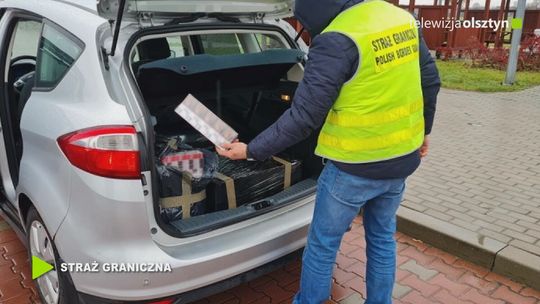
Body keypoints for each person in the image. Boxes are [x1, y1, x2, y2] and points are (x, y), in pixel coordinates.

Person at [216, 0, 440, 303]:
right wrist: (424, 130)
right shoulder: (401, 18)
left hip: (353, 168)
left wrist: (252, 150)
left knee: (323, 246)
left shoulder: (336, 38)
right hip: (401, 159)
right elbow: (430, 81)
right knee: (382, 240)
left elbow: (304, 118)